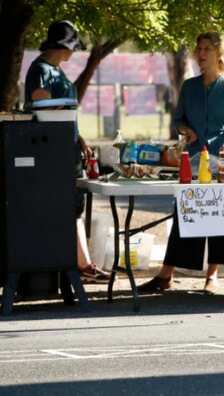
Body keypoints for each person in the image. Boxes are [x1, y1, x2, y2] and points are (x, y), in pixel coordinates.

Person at [138, 32, 224, 295]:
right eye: (199, 49)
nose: (201, 54)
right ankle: (166, 274)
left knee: (221, 216)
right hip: (194, 159)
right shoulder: (189, 86)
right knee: (185, 213)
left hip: (223, 161)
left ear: (220, 53)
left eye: (207, 49)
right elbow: (177, 120)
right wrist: (185, 129)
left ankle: (212, 276)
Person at [24, 20, 110, 283]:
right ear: (62, 46)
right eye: (72, 47)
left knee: (75, 205)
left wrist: (79, 136)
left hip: (66, 144)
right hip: (51, 148)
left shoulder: (56, 70)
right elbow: (41, 105)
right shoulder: (41, 69)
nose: (74, 53)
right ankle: (81, 264)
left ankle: (81, 262)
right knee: (68, 206)